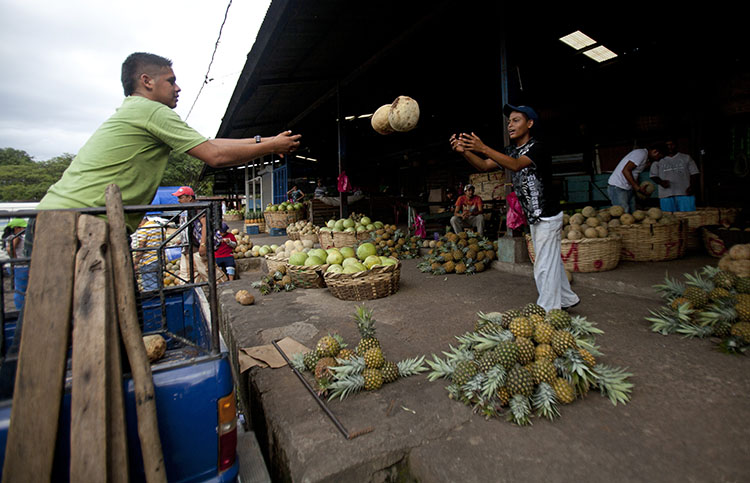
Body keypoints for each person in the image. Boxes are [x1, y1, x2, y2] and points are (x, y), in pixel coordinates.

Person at [34, 52, 301, 236]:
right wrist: (269, 146)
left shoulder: (138, 110)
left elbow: (210, 144)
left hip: (71, 218)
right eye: (171, 81)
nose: (178, 88)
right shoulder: (151, 110)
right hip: (72, 223)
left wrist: (268, 141)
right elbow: (215, 155)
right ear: (146, 81)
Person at [450, 104, 579, 311]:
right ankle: (566, 298)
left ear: (530, 124)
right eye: (509, 121)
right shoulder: (512, 151)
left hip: (546, 214)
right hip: (535, 217)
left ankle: (548, 311)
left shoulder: (538, 147)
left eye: (516, 120)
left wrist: (483, 147)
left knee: (543, 265)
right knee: (550, 260)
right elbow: (483, 166)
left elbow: (517, 165)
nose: (510, 125)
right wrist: (465, 152)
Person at [173, 186, 227, 285]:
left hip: (197, 248)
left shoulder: (197, 208)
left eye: (181, 197)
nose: (179, 200)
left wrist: (203, 244)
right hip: (187, 248)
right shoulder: (186, 210)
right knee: (186, 277)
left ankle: (225, 289)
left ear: (189, 198)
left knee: (209, 274)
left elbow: (205, 225)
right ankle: (193, 297)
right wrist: (181, 239)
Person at [607, 144, 664, 214]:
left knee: (633, 213)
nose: (657, 159)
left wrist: (638, 188)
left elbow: (635, 173)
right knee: (623, 214)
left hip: (628, 188)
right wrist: (637, 188)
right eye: (658, 157)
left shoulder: (645, 157)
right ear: (655, 152)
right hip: (618, 187)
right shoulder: (641, 154)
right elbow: (626, 170)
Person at [649, 138, 699, 212]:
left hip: (685, 193)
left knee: (688, 216)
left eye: (672, 144)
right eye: (667, 145)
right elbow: (653, 176)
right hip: (666, 195)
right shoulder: (658, 159)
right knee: (669, 219)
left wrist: (692, 186)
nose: (670, 147)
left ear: (676, 145)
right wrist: (661, 182)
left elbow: (694, 173)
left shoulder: (686, 157)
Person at [5, 219, 28, 310]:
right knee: (21, 289)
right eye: (23, 227)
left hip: (18, 266)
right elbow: (10, 249)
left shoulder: (12, 237)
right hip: (20, 266)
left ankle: (21, 308)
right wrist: (16, 260)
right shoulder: (16, 237)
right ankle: (20, 309)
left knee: (20, 288)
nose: (24, 229)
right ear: (16, 228)